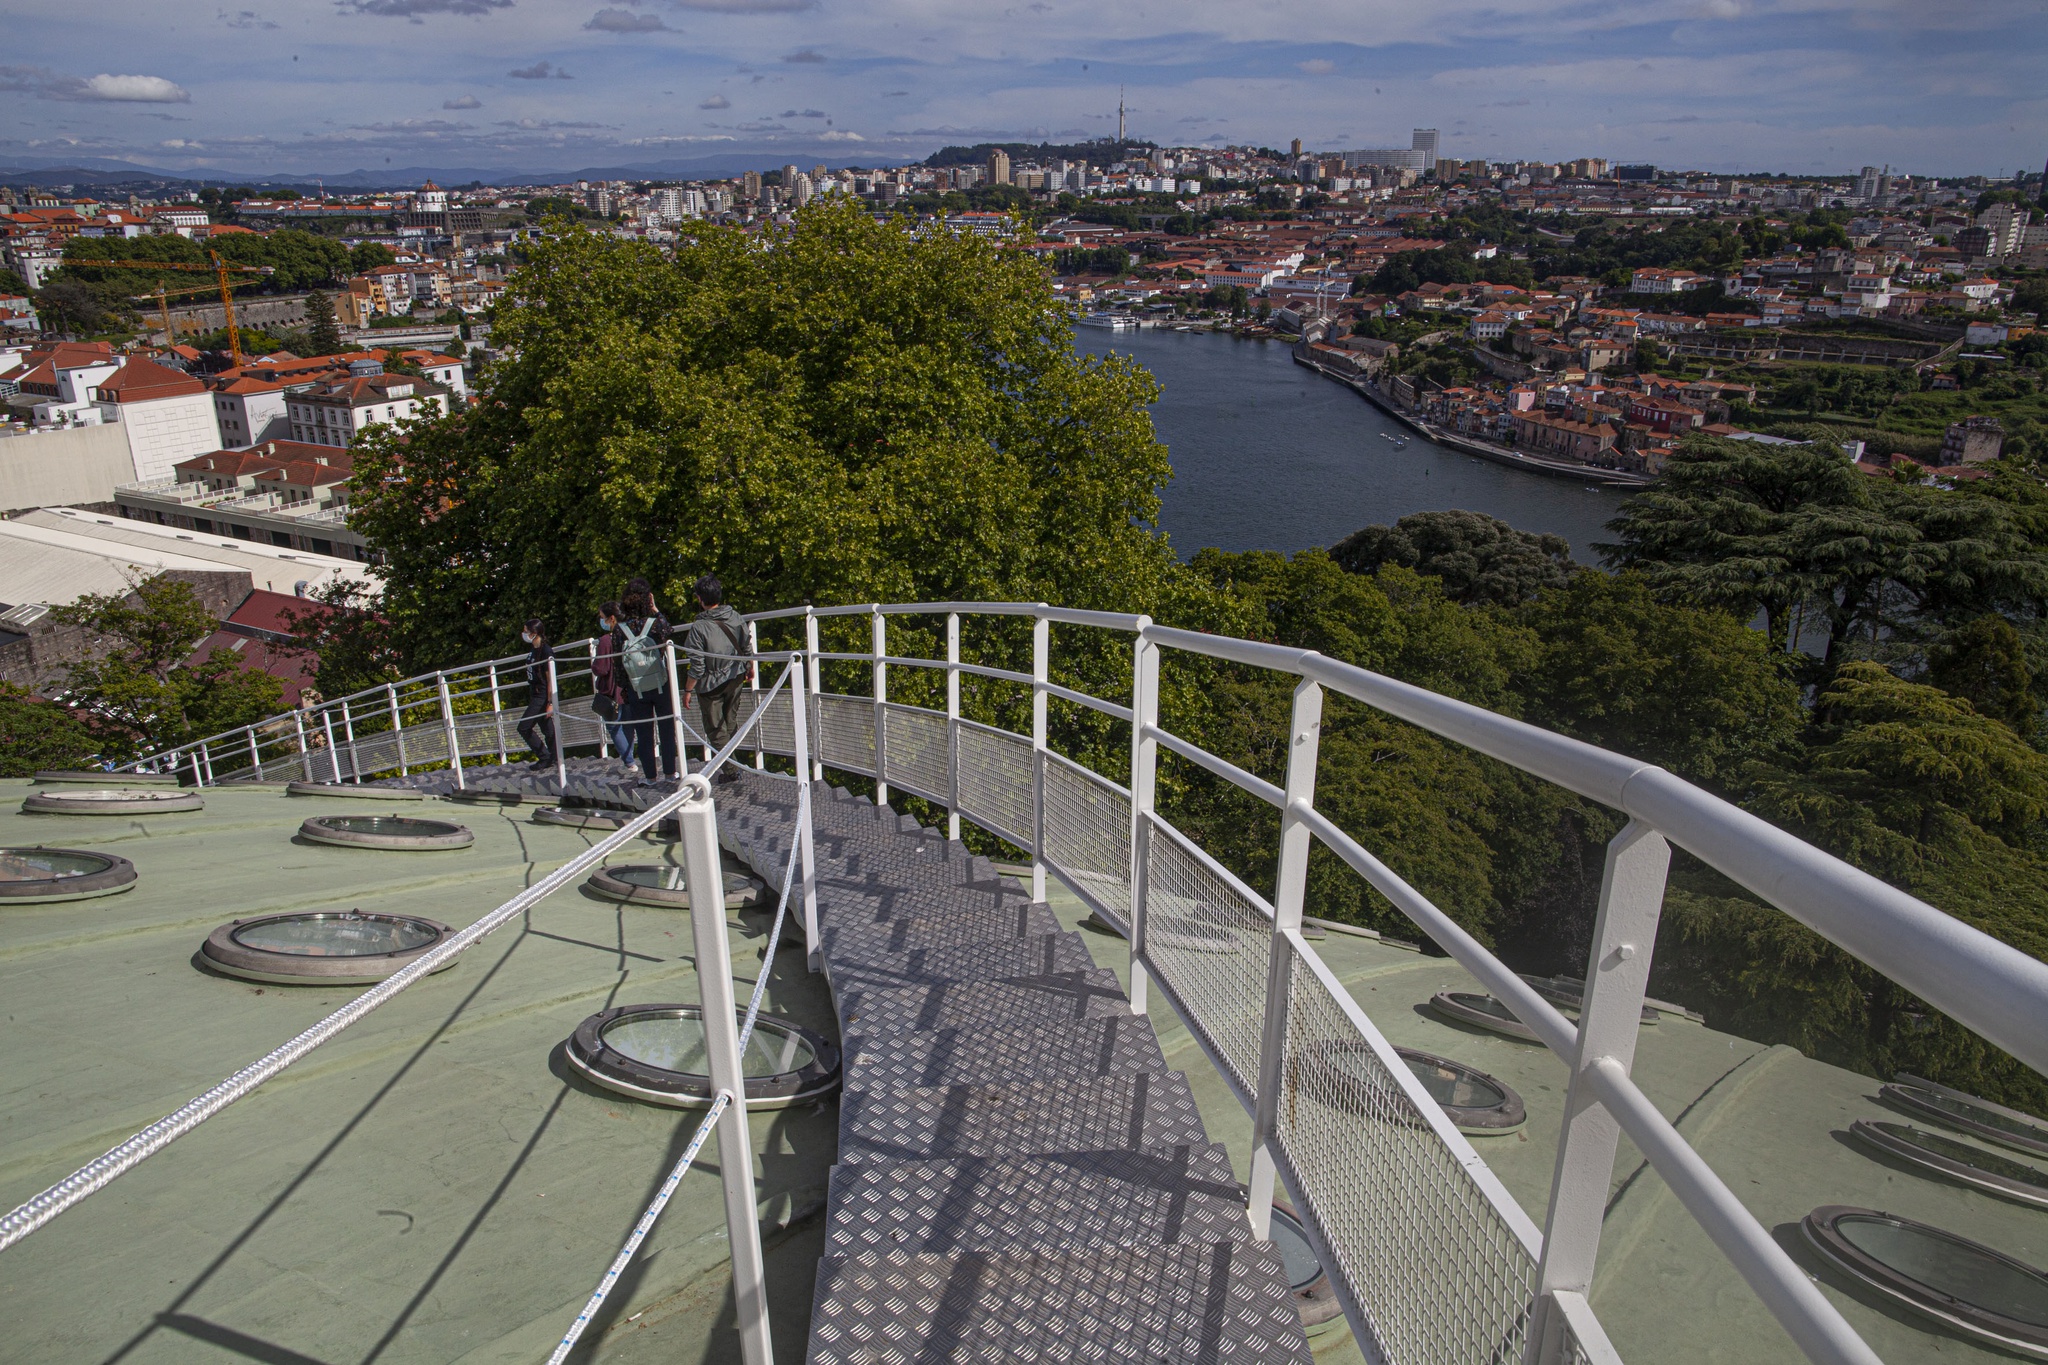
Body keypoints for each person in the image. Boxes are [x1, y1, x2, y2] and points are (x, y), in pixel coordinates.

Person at [680, 575, 753, 783]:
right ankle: (733, 765)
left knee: (715, 729)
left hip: (710, 685)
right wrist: (750, 667)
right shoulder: (735, 616)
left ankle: (731, 771)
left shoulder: (698, 628)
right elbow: (746, 645)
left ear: (699, 599)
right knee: (730, 722)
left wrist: (687, 691)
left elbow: (697, 666)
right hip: (736, 675)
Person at [613, 580, 678, 781]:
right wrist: (656, 610)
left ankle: (650, 777)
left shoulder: (620, 630)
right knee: (667, 729)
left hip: (636, 686)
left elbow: (618, 661)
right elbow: (669, 631)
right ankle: (669, 772)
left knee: (644, 733)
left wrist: (625, 687)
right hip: (660, 683)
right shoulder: (655, 624)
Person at [589, 600, 636, 766]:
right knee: (628, 724)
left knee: (614, 726)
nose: (601, 621)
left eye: (603, 617)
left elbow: (601, 669)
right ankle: (631, 759)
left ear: (611, 618)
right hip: (630, 685)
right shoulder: (630, 635)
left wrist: (593, 665)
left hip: (611, 689)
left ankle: (629, 761)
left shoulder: (605, 641)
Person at [516, 618, 558, 771]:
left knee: (524, 727)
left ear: (534, 633)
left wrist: (550, 702)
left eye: (526, 632)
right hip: (534, 693)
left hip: (541, 695)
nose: (524, 634)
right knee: (547, 728)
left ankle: (546, 757)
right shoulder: (533, 650)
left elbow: (550, 679)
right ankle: (553, 757)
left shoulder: (546, 651)